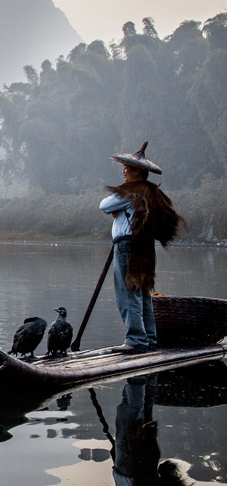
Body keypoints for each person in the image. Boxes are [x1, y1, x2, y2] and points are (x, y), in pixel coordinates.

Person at [99, 142, 183, 353]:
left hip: (128, 246)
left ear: (139, 172)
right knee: (142, 292)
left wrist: (118, 209)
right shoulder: (152, 193)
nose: (124, 171)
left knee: (129, 293)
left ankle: (136, 339)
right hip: (144, 247)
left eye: (128, 168)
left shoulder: (134, 191)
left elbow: (104, 205)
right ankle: (150, 339)